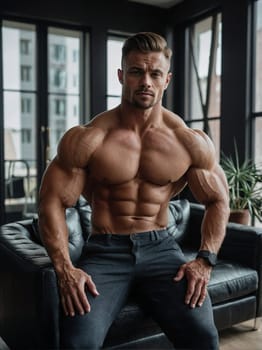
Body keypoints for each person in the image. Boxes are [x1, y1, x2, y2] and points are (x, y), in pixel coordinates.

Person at [38, 32, 230, 349]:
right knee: (78, 343)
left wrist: (204, 260)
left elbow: (217, 199)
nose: (146, 82)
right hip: (105, 250)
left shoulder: (187, 140)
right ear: (121, 75)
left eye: (155, 74)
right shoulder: (89, 138)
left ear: (167, 79)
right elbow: (51, 201)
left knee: (204, 337)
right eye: (136, 71)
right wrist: (65, 269)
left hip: (161, 249)